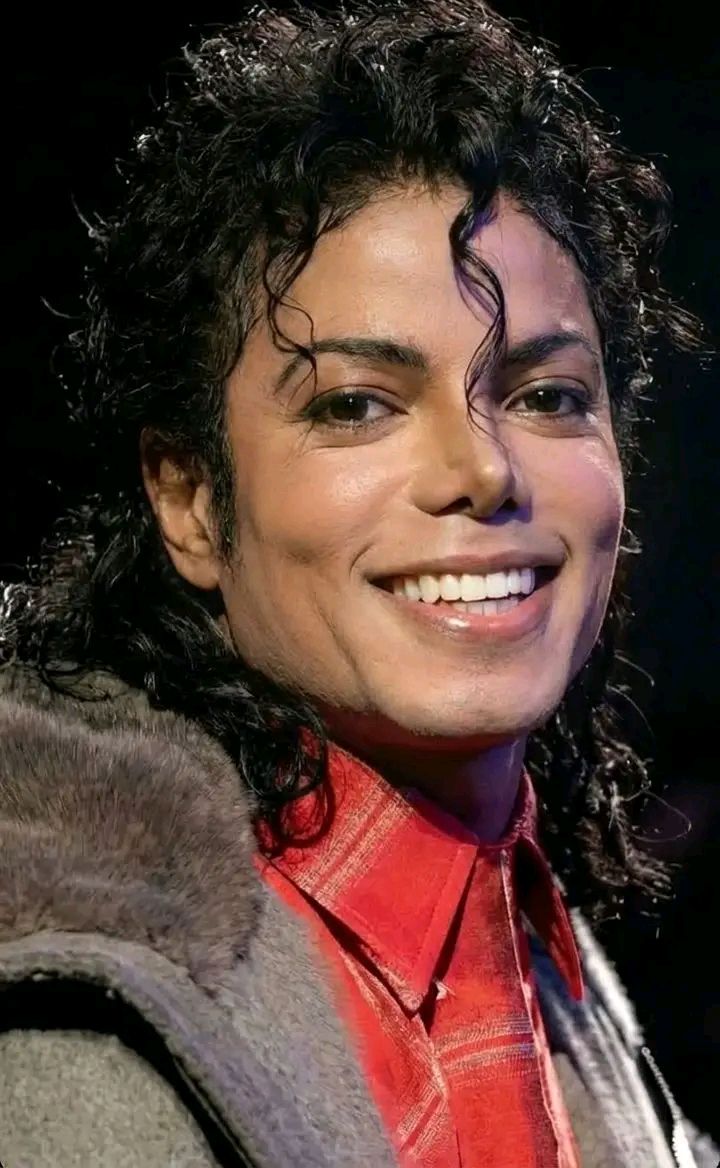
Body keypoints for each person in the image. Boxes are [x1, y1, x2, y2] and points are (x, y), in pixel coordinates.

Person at [0, 2, 716, 1165]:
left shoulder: (542, 954)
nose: (484, 469)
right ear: (188, 497)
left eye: (547, 395)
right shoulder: (61, 1043)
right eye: (356, 406)